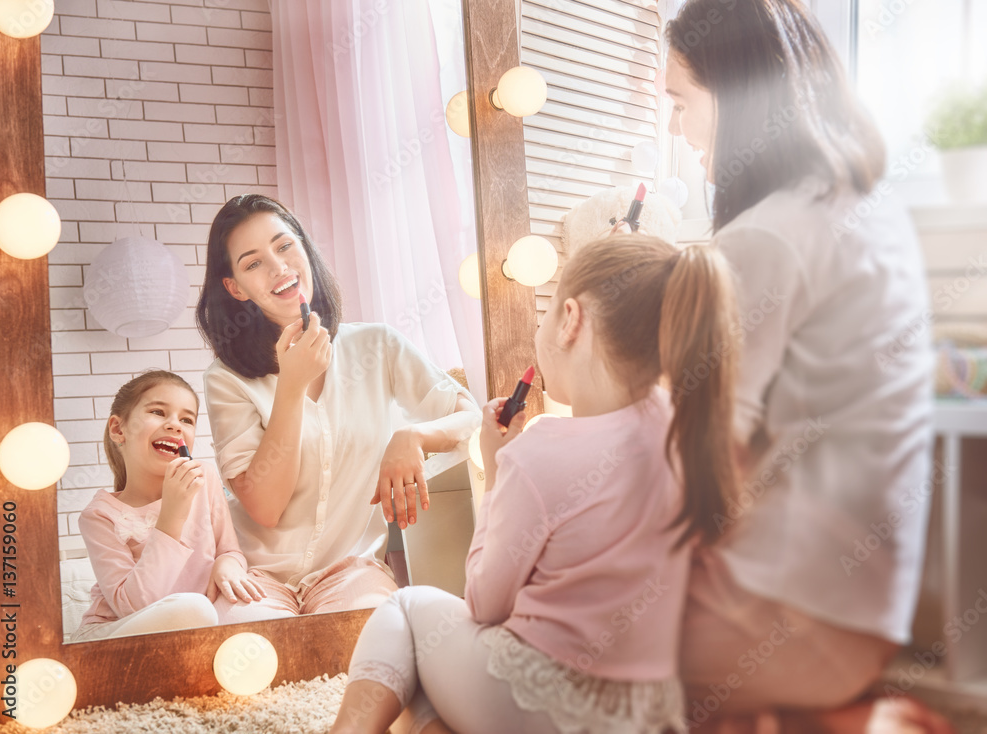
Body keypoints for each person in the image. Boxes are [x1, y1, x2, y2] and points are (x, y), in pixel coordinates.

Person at [656, 1, 949, 730]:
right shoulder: (867, 208)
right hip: (867, 607)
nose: (674, 128)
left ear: (739, 95)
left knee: (560, 646)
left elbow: (702, 473)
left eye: (679, 101)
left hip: (791, 614)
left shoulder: (765, 239)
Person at [331, 235, 739, 734]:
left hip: (536, 706)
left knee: (408, 609)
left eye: (544, 315)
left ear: (570, 319)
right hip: (652, 712)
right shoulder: (699, 437)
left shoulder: (540, 452)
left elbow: (486, 603)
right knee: (427, 684)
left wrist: (497, 466)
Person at [196, 195, 480, 621]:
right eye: (253, 263)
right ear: (235, 288)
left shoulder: (377, 346)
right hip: (256, 574)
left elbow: (469, 414)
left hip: (350, 571)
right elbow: (264, 508)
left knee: (379, 641)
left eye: (285, 246)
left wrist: (412, 437)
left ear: (305, 250)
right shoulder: (226, 378)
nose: (278, 267)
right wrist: (291, 386)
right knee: (249, 660)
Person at [74, 371, 264, 642]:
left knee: (251, 611)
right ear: (118, 429)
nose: (175, 425)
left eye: (187, 419)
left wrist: (228, 564)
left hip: (186, 627)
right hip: (117, 633)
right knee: (194, 609)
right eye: (158, 412)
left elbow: (229, 548)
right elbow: (132, 607)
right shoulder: (99, 516)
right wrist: (172, 516)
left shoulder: (204, 478)